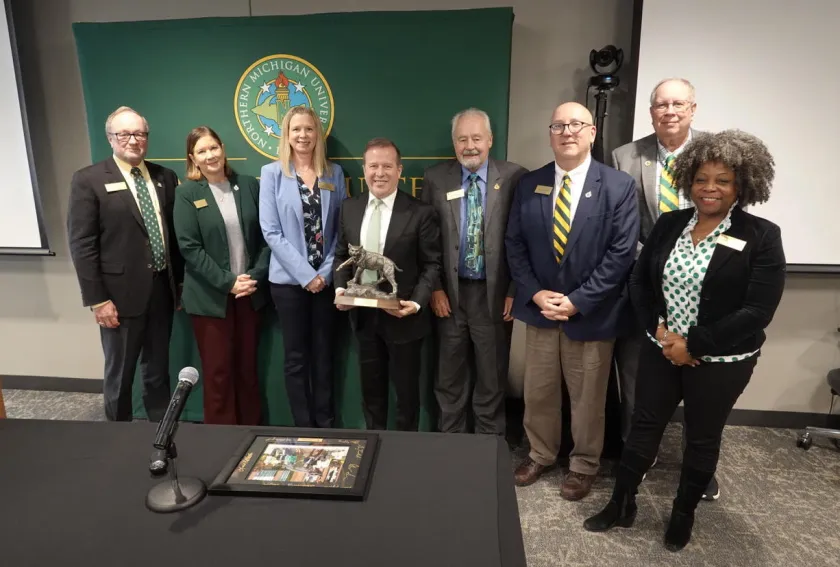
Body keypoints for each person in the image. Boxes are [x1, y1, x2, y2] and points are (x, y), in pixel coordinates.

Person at [584, 130, 785, 552]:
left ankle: (683, 513)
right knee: (643, 426)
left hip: (722, 360)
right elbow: (640, 282)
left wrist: (693, 344)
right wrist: (660, 333)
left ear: (742, 185)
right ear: (688, 180)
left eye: (723, 180)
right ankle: (622, 503)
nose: (710, 188)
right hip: (662, 346)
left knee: (702, 437)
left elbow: (757, 311)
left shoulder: (762, 235)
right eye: (701, 179)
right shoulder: (670, 224)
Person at [505, 102, 638, 500]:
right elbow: (515, 245)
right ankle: (540, 454)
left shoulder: (618, 185)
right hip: (542, 311)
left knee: (588, 399)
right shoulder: (530, 184)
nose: (567, 132)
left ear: (592, 132)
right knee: (539, 393)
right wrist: (535, 292)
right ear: (550, 134)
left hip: (591, 314)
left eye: (576, 124)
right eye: (559, 126)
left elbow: (621, 253)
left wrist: (579, 300)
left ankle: (583, 465)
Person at [612, 78, 721, 500]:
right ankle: (637, 454)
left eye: (678, 103)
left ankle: (700, 466)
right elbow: (622, 222)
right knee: (636, 372)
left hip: (704, 282)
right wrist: (656, 258)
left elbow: (730, 213)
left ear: (693, 108)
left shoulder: (718, 151)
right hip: (645, 280)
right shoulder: (625, 156)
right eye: (661, 104)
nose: (669, 111)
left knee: (704, 382)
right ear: (651, 111)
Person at [67, 106, 183, 422]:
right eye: (125, 134)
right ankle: (117, 436)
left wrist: (179, 284)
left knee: (158, 370)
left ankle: (160, 433)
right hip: (117, 298)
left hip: (161, 290)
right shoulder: (88, 180)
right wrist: (98, 300)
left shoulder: (165, 177)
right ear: (111, 138)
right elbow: (82, 245)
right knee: (120, 374)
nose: (133, 140)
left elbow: (173, 236)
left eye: (140, 134)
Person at [421, 108, 527, 435]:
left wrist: (514, 290)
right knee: (448, 377)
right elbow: (427, 240)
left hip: (494, 295)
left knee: (491, 377)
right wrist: (435, 288)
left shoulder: (515, 177)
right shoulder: (435, 179)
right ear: (454, 143)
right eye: (462, 139)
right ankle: (449, 444)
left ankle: (488, 445)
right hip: (450, 296)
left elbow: (522, 239)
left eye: (476, 138)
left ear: (490, 140)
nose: (470, 146)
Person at [334, 138, 441, 432]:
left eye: (387, 166)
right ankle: (374, 444)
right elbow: (341, 255)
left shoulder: (420, 212)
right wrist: (341, 290)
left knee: (407, 396)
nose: (379, 173)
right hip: (362, 318)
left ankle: (405, 451)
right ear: (364, 170)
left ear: (399, 170)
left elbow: (432, 264)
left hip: (404, 319)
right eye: (373, 166)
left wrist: (416, 303)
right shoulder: (349, 208)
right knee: (371, 394)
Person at [173, 126, 269, 425]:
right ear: (193, 158)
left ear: (223, 149)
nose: (210, 155)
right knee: (218, 373)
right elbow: (189, 247)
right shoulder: (186, 193)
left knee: (247, 370)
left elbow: (267, 238)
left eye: (213, 147)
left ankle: (251, 432)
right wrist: (228, 282)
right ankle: (220, 438)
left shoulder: (248, 185)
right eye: (201, 151)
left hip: (249, 295)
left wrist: (253, 277)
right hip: (210, 299)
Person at [260, 106, 346, 428]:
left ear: (317, 134)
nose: (303, 135)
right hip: (288, 284)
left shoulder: (334, 173)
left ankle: (326, 424)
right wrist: (306, 276)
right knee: (296, 359)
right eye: (296, 129)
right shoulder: (272, 173)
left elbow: (341, 230)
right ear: (286, 134)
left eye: (309, 129)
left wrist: (324, 274)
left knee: (324, 357)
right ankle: (304, 427)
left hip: (326, 282)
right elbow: (271, 232)